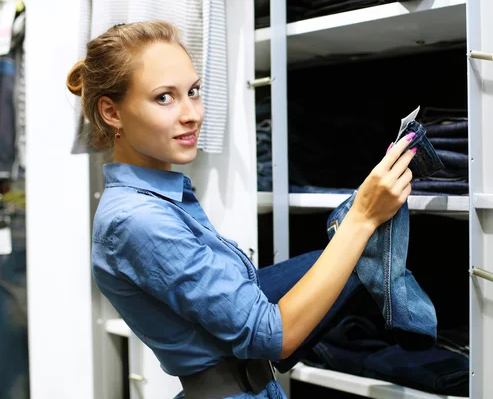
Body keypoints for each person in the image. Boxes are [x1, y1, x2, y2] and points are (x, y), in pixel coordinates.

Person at [67, 21, 415, 398]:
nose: (192, 114)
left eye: (193, 92)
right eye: (164, 97)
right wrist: (361, 219)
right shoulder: (138, 220)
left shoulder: (161, 201)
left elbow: (242, 299)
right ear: (111, 112)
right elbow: (273, 335)